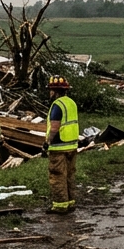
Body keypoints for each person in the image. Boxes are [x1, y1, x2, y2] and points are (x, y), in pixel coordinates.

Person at [45, 76, 80, 213]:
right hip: (72, 145)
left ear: (54, 91)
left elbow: (54, 127)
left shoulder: (57, 105)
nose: (49, 93)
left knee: (57, 175)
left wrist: (47, 143)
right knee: (70, 175)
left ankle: (60, 206)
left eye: (50, 90)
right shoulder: (71, 103)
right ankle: (70, 202)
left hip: (59, 146)